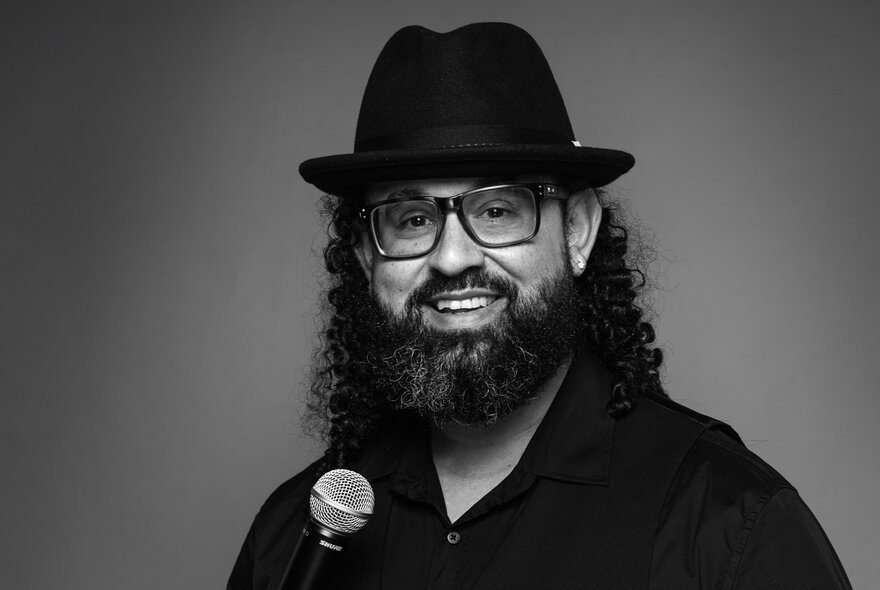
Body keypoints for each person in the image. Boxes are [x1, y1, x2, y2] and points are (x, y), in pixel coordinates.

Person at [227, 23, 851, 589]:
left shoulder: (725, 525)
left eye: (497, 210)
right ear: (367, 257)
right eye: (412, 218)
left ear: (576, 231)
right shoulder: (292, 538)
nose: (450, 259)